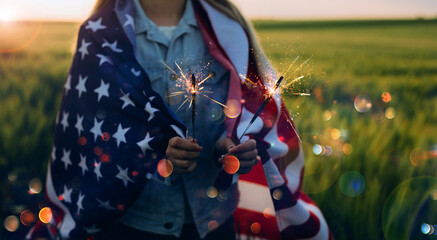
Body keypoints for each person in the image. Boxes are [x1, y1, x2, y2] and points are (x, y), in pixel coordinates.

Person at [28, 0, 331, 239]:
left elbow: (238, 115)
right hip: (134, 224)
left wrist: (228, 148)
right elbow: (90, 135)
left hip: (215, 222)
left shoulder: (227, 28)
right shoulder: (100, 34)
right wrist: (152, 149)